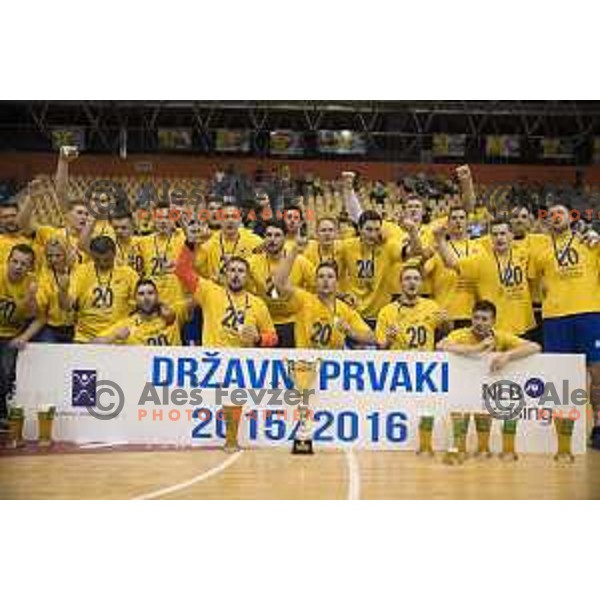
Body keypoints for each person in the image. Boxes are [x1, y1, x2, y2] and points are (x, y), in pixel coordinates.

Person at [176, 233, 277, 452]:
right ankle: (223, 438)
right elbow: (182, 271)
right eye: (231, 270)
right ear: (224, 275)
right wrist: (189, 244)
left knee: (235, 389)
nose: (236, 275)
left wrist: (259, 338)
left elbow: (273, 336)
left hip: (241, 362)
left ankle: (231, 440)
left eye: (241, 271)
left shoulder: (258, 304)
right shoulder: (210, 292)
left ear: (248, 276)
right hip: (212, 360)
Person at [528, 204, 600, 449]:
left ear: (571, 217)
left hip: (589, 313)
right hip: (555, 317)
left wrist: (595, 235)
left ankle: (598, 426)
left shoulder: (590, 243)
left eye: (561, 213)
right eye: (551, 214)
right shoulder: (541, 252)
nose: (555, 216)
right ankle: (563, 429)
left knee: (597, 373)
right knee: (560, 378)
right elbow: (533, 282)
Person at [433, 218, 535, 337]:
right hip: (494, 328)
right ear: (490, 238)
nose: (499, 238)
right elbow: (451, 263)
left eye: (503, 234)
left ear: (511, 236)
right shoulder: (480, 260)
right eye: (495, 234)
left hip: (522, 324)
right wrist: (440, 239)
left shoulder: (524, 254)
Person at [273, 239, 374, 349]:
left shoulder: (345, 309)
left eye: (330, 277)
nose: (325, 280)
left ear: (336, 282)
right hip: (306, 362)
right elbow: (279, 284)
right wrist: (294, 251)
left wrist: (351, 332)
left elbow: (373, 337)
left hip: (332, 362)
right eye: (321, 277)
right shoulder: (304, 300)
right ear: (315, 282)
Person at [336, 209, 423, 328]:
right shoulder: (346, 246)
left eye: (377, 230)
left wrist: (413, 231)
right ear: (360, 229)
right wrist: (342, 295)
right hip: (353, 312)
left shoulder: (388, 247)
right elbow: (333, 276)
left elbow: (416, 251)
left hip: (380, 314)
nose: (373, 234)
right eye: (369, 229)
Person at [247, 219, 315, 348]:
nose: (272, 240)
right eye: (269, 235)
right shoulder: (252, 262)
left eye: (277, 235)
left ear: (285, 238)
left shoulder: (299, 261)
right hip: (265, 323)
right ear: (263, 238)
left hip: (293, 322)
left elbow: (317, 287)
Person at [57, 236, 138, 343]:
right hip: (85, 337)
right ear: (91, 255)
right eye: (97, 260)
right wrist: (63, 291)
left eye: (107, 260)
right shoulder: (81, 271)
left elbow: (141, 307)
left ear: (114, 253)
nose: (102, 263)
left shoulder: (128, 273)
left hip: (117, 337)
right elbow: (66, 307)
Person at [437, 300, 540, 372]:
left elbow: (535, 347)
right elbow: (440, 346)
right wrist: (476, 348)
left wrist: (508, 355)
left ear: (493, 321)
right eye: (476, 318)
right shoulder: (461, 334)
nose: (479, 323)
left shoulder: (500, 336)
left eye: (484, 319)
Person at [424, 206, 484, 328]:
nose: (458, 221)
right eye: (454, 218)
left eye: (462, 218)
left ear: (467, 222)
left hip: (473, 316)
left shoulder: (479, 248)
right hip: (445, 315)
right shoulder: (438, 248)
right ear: (448, 223)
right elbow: (422, 273)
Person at [0, 244, 39, 420]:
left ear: (30, 267)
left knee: (7, 372)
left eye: (23, 264)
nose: (18, 267)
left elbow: (39, 318)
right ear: (7, 261)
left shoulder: (33, 283)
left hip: (12, 335)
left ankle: (4, 413)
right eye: (14, 261)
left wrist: (30, 297)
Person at [93, 279, 185, 346]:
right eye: (141, 294)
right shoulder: (128, 324)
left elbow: (196, 298)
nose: (146, 298)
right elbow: (92, 344)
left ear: (157, 296)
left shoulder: (173, 314)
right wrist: (114, 337)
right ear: (135, 299)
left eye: (150, 293)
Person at [376, 265, 447, 351]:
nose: (412, 282)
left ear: (421, 283)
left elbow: (444, 335)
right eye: (407, 278)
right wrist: (389, 340)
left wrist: (445, 323)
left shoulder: (432, 306)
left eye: (416, 279)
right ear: (400, 283)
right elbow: (380, 348)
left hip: (425, 361)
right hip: (400, 361)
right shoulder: (386, 312)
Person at [194, 201, 262, 284]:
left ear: (240, 219)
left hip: (246, 293)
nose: (230, 221)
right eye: (226, 217)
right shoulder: (209, 243)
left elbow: (264, 264)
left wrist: (240, 261)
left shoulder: (254, 241)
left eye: (234, 217)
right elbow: (196, 267)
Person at [33, 238, 76, 343]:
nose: (54, 259)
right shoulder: (45, 275)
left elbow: (71, 304)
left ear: (66, 255)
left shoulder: (78, 272)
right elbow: (40, 302)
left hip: (74, 326)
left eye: (58, 255)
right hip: (51, 326)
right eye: (49, 256)